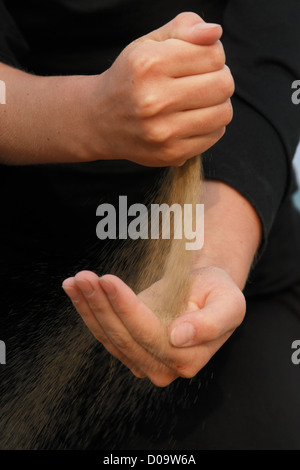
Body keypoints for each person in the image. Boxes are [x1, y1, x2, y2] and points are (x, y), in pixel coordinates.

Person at [0, 0, 299, 450]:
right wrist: (88, 116)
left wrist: (210, 266)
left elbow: (270, 63)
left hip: (240, 271)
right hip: (22, 275)